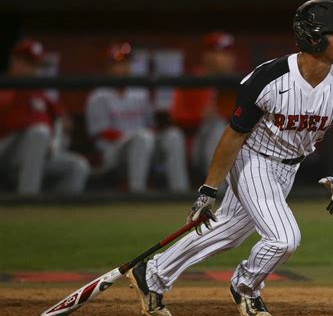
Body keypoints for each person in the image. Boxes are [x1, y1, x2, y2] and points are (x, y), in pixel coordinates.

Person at [127, 0, 333, 316]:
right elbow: (233, 136)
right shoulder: (270, 77)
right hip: (254, 159)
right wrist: (208, 190)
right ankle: (246, 287)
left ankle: (152, 274)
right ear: (313, 37)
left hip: (289, 167)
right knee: (284, 239)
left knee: (227, 232)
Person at [85, 42, 189, 193]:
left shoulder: (139, 93)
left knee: (173, 135)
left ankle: (181, 192)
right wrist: (135, 137)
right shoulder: (98, 96)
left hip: (144, 145)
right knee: (142, 137)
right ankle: (137, 193)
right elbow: (100, 133)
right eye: (119, 64)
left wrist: (147, 136)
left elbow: (150, 126)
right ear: (109, 67)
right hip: (114, 153)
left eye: (127, 63)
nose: (124, 68)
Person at [0, 38, 90, 195]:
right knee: (39, 131)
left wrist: (61, 120)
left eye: (36, 65)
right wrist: (40, 128)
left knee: (78, 166)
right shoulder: (5, 88)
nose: (34, 70)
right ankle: (27, 199)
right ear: (15, 62)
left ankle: (55, 213)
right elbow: (9, 124)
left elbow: (62, 117)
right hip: (7, 153)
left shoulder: (39, 93)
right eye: (29, 63)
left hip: (36, 154)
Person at [170, 31, 237, 177]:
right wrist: (200, 117)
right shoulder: (191, 82)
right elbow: (175, 117)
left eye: (227, 53)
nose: (223, 58)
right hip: (194, 144)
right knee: (217, 127)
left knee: (222, 127)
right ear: (207, 56)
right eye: (217, 52)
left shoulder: (238, 84)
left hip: (232, 148)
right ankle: (216, 191)